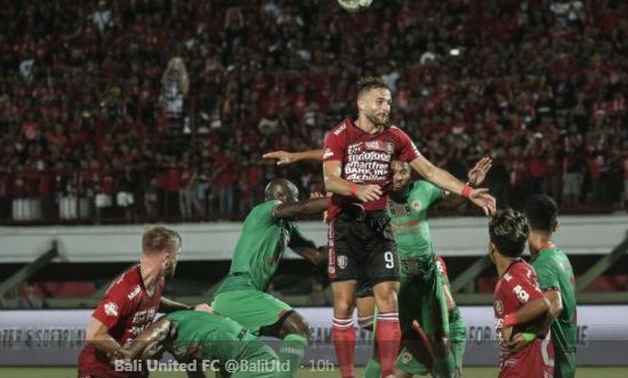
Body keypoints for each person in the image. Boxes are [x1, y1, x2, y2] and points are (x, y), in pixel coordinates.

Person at [322, 76, 497, 378]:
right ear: (360, 103)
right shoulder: (343, 138)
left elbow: (431, 171)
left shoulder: (399, 143)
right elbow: (330, 178)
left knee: (439, 341)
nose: (386, 106)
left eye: (389, 101)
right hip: (372, 251)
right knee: (362, 323)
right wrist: (352, 192)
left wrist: (467, 191)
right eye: (380, 100)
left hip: (423, 275)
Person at [264, 150, 488, 378]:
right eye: (394, 171)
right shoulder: (372, 194)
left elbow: (452, 200)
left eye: (404, 171)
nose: (399, 176)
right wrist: (298, 159)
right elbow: (338, 157)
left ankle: (439, 365)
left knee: (435, 340)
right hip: (391, 280)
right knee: (383, 344)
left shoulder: (423, 190)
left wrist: (468, 186)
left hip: (423, 279)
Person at [211, 178, 327, 378]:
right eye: (295, 196)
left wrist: (337, 224)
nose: (297, 200)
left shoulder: (287, 227)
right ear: (282, 196)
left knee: (228, 369)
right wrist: (335, 200)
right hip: (241, 292)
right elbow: (303, 208)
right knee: (299, 329)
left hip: (231, 297)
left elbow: (316, 257)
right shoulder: (265, 209)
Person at [78, 226, 212, 378]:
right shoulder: (126, 290)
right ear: (167, 258)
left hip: (132, 372)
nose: (178, 260)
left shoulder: (157, 282)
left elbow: (155, 301)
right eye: (177, 255)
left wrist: (189, 309)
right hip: (101, 371)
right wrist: (125, 354)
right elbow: (94, 334)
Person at [488, 208, 554, 378]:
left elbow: (542, 303)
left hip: (522, 371)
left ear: (492, 247)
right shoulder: (525, 269)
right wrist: (529, 333)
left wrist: (507, 321)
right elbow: (549, 309)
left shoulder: (512, 278)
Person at [122, 310, 282, 378]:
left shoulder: (168, 323)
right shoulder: (180, 349)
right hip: (242, 362)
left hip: (255, 358)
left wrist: (129, 353)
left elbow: (158, 329)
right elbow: (196, 375)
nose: (153, 359)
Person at [524, 194, 578, 378]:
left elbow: (555, 304)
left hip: (554, 364)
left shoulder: (543, 263)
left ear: (525, 225)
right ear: (556, 225)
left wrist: (528, 335)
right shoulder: (561, 257)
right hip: (566, 358)